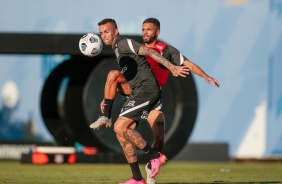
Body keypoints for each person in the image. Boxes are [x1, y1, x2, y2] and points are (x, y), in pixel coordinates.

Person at [90, 18, 220, 184]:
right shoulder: (130, 47)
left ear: (157, 32)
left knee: (158, 137)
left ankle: (152, 170)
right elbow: (121, 76)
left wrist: (204, 76)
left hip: (150, 94)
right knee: (121, 132)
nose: (145, 32)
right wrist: (108, 96)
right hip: (138, 92)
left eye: (149, 29)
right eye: (143, 29)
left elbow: (187, 63)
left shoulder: (163, 50)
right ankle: (137, 178)